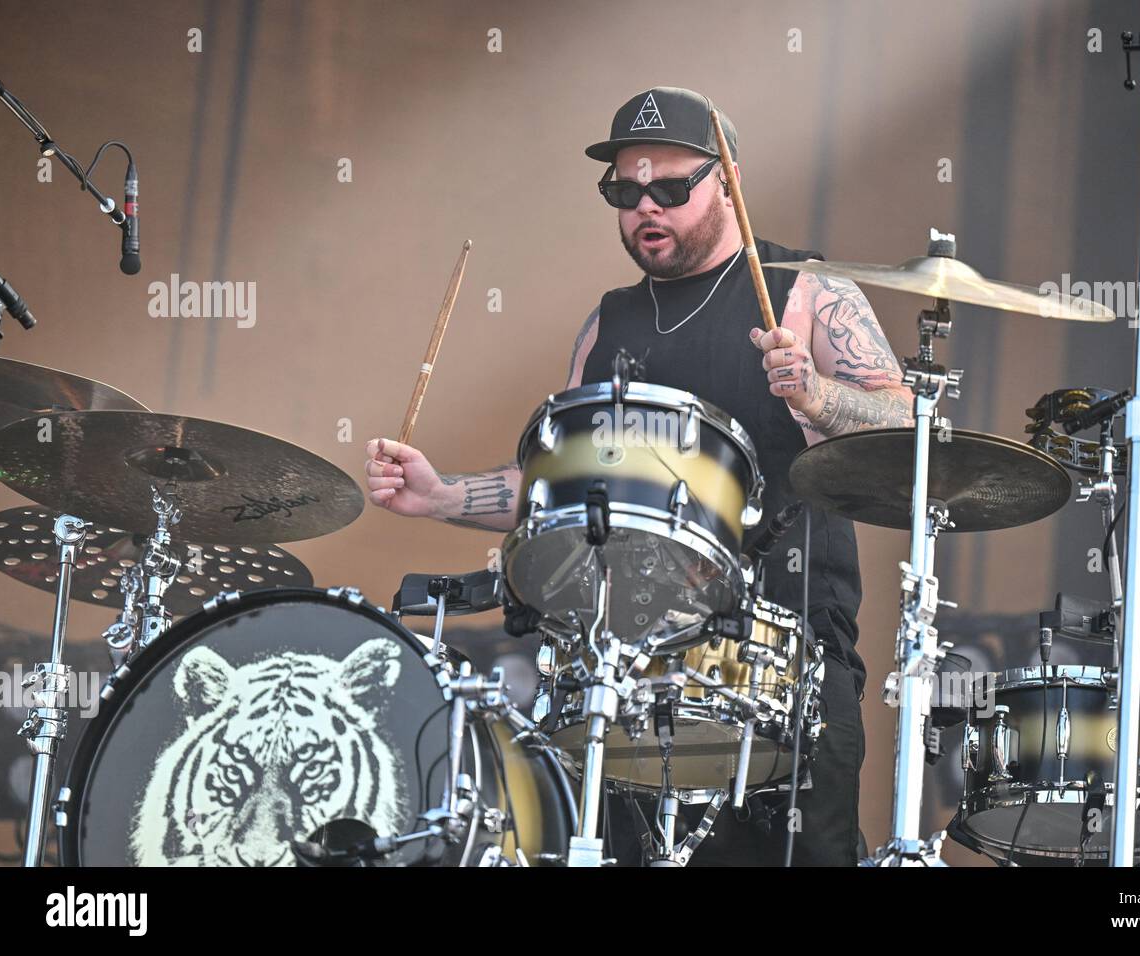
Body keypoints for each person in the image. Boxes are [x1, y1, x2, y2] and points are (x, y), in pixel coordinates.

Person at [365, 87, 911, 865]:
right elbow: (564, 491)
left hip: (785, 656)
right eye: (625, 192)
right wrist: (442, 495)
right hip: (625, 667)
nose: (644, 207)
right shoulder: (608, 322)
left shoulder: (805, 294)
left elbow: (908, 424)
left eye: (669, 188)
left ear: (728, 182)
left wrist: (818, 394)